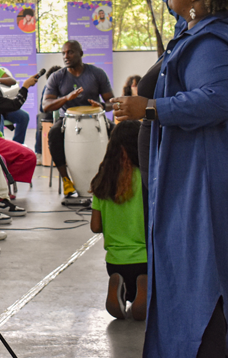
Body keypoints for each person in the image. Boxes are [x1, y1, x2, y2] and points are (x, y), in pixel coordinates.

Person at [113, 0, 228, 356]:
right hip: (195, 170)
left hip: (205, 177)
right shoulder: (199, 24)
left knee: (202, 272)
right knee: (187, 268)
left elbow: (217, 100)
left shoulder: (211, 39)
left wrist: (149, 107)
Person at [89, 120, 147, 322]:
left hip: (114, 262)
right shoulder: (148, 180)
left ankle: (123, 288)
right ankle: (147, 289)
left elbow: (95, 226)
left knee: (127, 286)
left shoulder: (103, 179)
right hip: (146, 261)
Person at [42, 40, 114, 197]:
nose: (66, 56)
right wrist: (66, 98)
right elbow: (46, 106)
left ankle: (110, 177)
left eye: (70, 52)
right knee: (53, 134)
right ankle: (66, 180)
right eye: (63, 53)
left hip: (95, 118)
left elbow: (111, 102)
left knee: (117, 132)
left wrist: (102, 106)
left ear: (81, 53)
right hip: (67, 120)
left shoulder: (97, 73)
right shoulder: (57, 77)